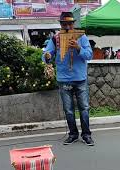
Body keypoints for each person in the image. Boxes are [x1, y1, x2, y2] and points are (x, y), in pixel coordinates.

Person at [42, 12, 94, 146]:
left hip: (80, 78)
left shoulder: (82, 37)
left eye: (70, 23)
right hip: (64, 79)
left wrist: (78, 47)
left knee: (84, 108)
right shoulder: (55, 39)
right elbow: (46, 55)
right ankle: (73, 134)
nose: (67, 26)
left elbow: (89, 55)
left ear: (73, 24)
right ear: (60, 24)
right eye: (64, 24)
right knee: (68, 109)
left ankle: (86, 135)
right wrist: (47, 56)